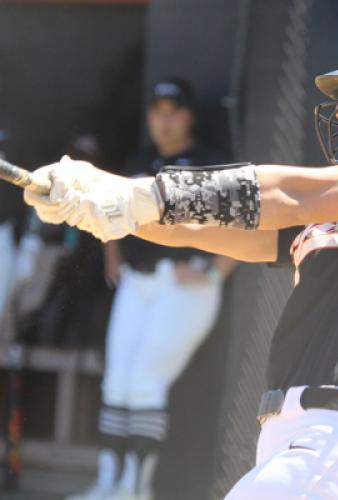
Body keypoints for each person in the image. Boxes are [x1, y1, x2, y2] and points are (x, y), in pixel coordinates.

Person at [24, 11, 338, 499]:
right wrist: (107, 204)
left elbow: (293, 192)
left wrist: (150, 194)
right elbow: (227, 228)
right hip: (309, 448)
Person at [64, 80, 235, 500]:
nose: (164, 119)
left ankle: (136, 491)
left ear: (189, 115)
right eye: (156, 110)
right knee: (117, 382)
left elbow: (246, 223)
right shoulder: (140, 159)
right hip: (137, 282)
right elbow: (111, 208)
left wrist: (215, 273)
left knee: (144, 382)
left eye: (173, 110)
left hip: (183, 282)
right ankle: (108, 484)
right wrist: (112, 256)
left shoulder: (211, 162)